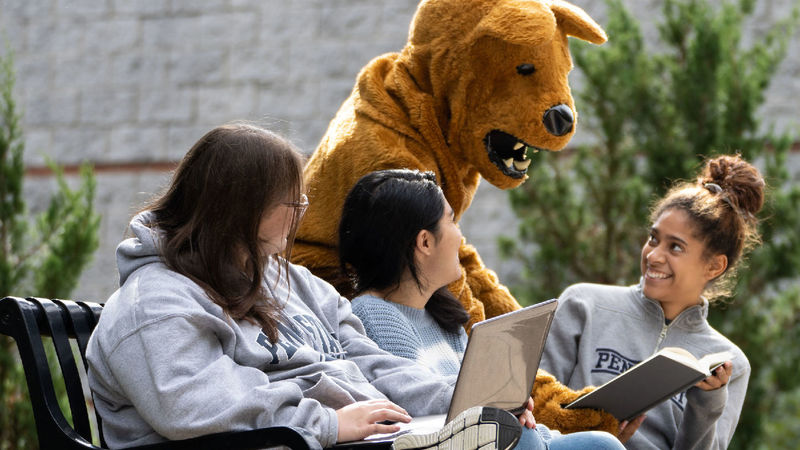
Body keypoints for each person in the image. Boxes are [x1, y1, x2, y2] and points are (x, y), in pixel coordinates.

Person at [85, 123, 523, 450]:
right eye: (292, 202)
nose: (302, 214)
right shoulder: (154, 304)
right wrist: (328, 424)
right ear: (240, 209)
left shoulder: (291, 281)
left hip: (361, 438)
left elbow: (372, 362)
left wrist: (466, 400)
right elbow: (192, 406)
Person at [338, 169, 625, 450]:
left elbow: (478, 402)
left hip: (492, 436)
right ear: (425, 242)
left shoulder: (441, 315)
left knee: (601, 443)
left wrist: (517, 413)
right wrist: (496, 406)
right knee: (511, 435)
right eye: (452, 221)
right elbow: (417, 400)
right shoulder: (373, 313)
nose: (460, 237)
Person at [539, 155, 764, 449]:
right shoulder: (584, 304)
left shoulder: (728, 362)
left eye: (676, 247)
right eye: (653, 239)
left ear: (714, 266)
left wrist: (707, 401)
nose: (654, 255)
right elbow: (534, 404)